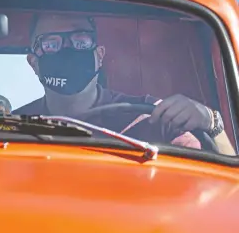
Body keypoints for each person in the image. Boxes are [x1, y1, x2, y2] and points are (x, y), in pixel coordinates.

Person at [12, 14, 236, 156]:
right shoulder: (12, 127)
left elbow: (224, 188)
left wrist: (211, 122)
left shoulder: (153, 116)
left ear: (99, 56)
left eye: (81, 41)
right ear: (33, 62)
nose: (67, 50)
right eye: (51, 44)